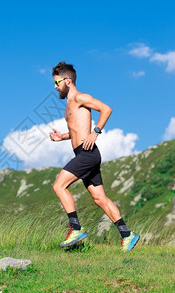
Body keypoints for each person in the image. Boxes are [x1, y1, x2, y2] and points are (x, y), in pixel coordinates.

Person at [49, 61, 140, 252]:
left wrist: (96, 132)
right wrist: (62, 137)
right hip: (84, 153)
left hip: (88, 153)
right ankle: (127, 234)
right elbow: (76, 131)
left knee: (59, 185)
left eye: (57, 83)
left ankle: (76, 228)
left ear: (68, 80)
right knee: (99, 198)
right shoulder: (69, 106)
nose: (55, 87)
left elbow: (106, 109)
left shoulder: (81, 97)